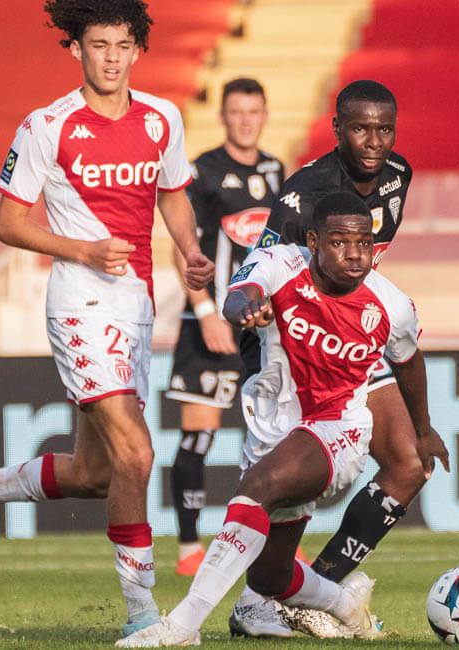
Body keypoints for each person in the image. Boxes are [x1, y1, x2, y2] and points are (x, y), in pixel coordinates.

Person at [0, 0, 213, 639]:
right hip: (78, 306)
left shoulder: (163, 118)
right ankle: (142, 615)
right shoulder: (46, 125)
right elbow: (8, 223)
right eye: (99, 45)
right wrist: (82, 250)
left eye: (122, 45)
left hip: (137, 307)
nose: (111, 58)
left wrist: (191, 250)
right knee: (138, 451)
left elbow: (172, 195)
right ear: (76, 49)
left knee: (96, 473)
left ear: (138, 50)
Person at [117, 191, 436, 647]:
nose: (355, 254)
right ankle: (346, 606)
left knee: (258, 488)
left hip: (337, 431)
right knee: (270, 577)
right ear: (313, 241)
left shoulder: (391, 305)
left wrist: (423, 430)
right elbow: (237, 296)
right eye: (340, 242)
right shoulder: (279, 262)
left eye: (364, 243)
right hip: (271, 432)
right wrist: (245, 308)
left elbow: (408, 362)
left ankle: (182, 627)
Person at [228, 79, 449, 638]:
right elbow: (258, 273)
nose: (373, 141)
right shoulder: (304, 194)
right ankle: (261, 599)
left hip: (354, 337)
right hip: (296, 349)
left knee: (410, 464)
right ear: (337, 130)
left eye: (384, 129)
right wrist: (253, 323)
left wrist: (425, 425)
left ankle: (308, 593)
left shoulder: (398, 175)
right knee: (287, 488)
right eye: (360, 129)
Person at [163, 77, 284, 577]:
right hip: (209, 322)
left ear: (265, 115)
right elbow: (182, 246)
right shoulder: (204, 171)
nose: (245, 121)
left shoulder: (276, 171)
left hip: (260, 325)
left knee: (273, 439)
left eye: (253, 111)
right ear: (223, 117)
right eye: (236, 112)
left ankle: (273, 544)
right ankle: (189, 547)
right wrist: (205, 310)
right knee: (199, 434)